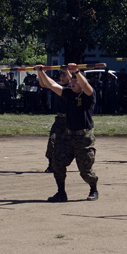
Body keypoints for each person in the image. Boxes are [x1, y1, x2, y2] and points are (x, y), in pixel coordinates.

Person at [34, 64, 99, 202]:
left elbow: (86, 85)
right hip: (69, 135)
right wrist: (42, 72)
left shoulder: (88, 95)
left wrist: (75, 71)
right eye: (72, 80)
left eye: (76, 80)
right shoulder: (68, 93)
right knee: (57, 162)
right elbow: (51, 85)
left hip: (84, 137)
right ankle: (61, 193)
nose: (73, 83)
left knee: (85, 170)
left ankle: (93, 189)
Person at [37, 68, 71, 173]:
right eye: (61, 76)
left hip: (72, 120)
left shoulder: (74, 88)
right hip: (60, 119)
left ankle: (83, 164)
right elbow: (43, 84)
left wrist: (68, 71)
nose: (62, 78)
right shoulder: (60, 86)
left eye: (64, 75)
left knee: (74, 145)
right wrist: (39, 72)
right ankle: (51, 164)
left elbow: (52, 84)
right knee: (52, 141)